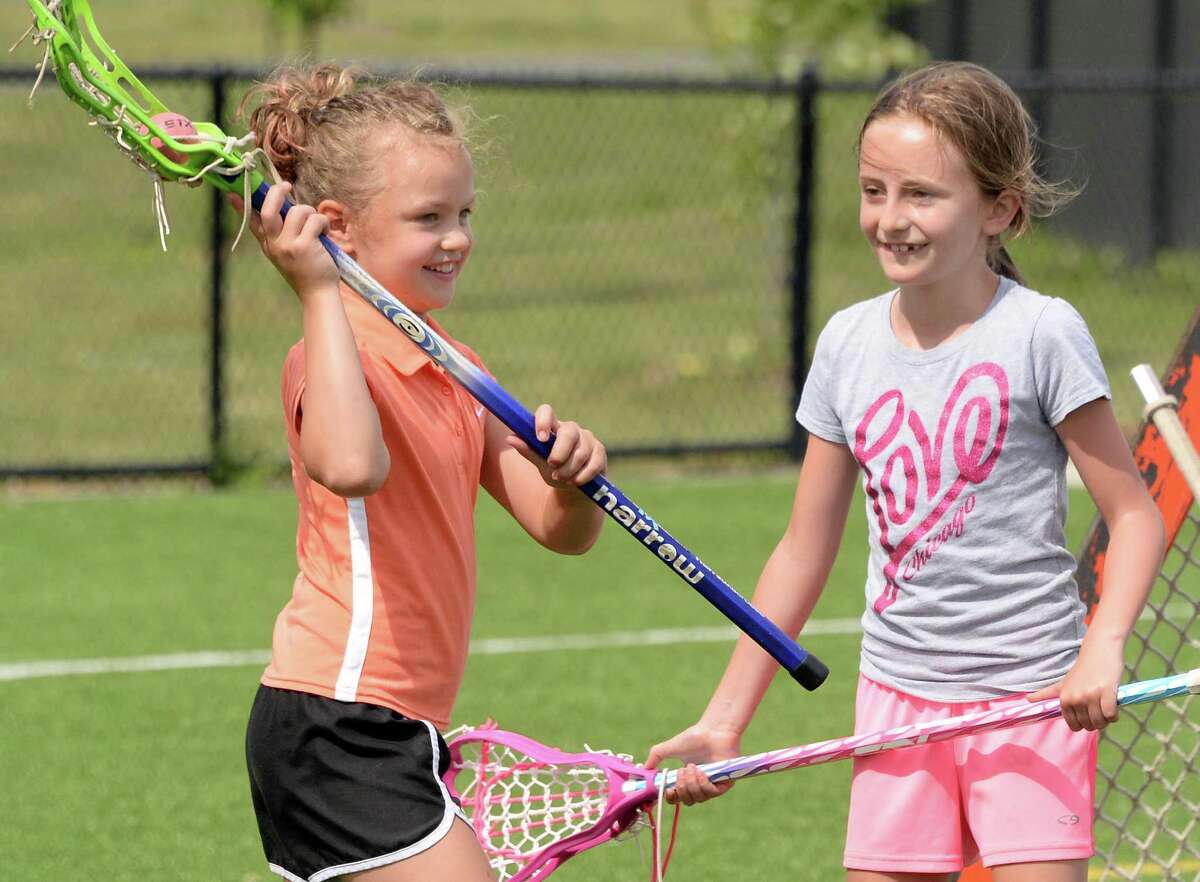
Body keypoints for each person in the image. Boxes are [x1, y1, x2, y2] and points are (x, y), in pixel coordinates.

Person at [646, 62, 1165, 882]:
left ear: (999, 208)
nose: (891, 219)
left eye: (921, 194)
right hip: (898, 705)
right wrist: (725, 717)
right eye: (874, 191)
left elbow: (1134, 514)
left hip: (1033, 704)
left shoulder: (1042, 334)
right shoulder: (847, 345)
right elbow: (800, 552)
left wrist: (1101, 647)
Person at [234, 64, 607, 882]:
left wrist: (573, 482)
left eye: (464, 213)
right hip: (337, 718)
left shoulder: (457, 367)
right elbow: (352, 464)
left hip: (399, 725)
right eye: (428, 217)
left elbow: (558, 532)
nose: (457, 237)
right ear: (340, 226)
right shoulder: (325, 356)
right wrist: (317, 291)